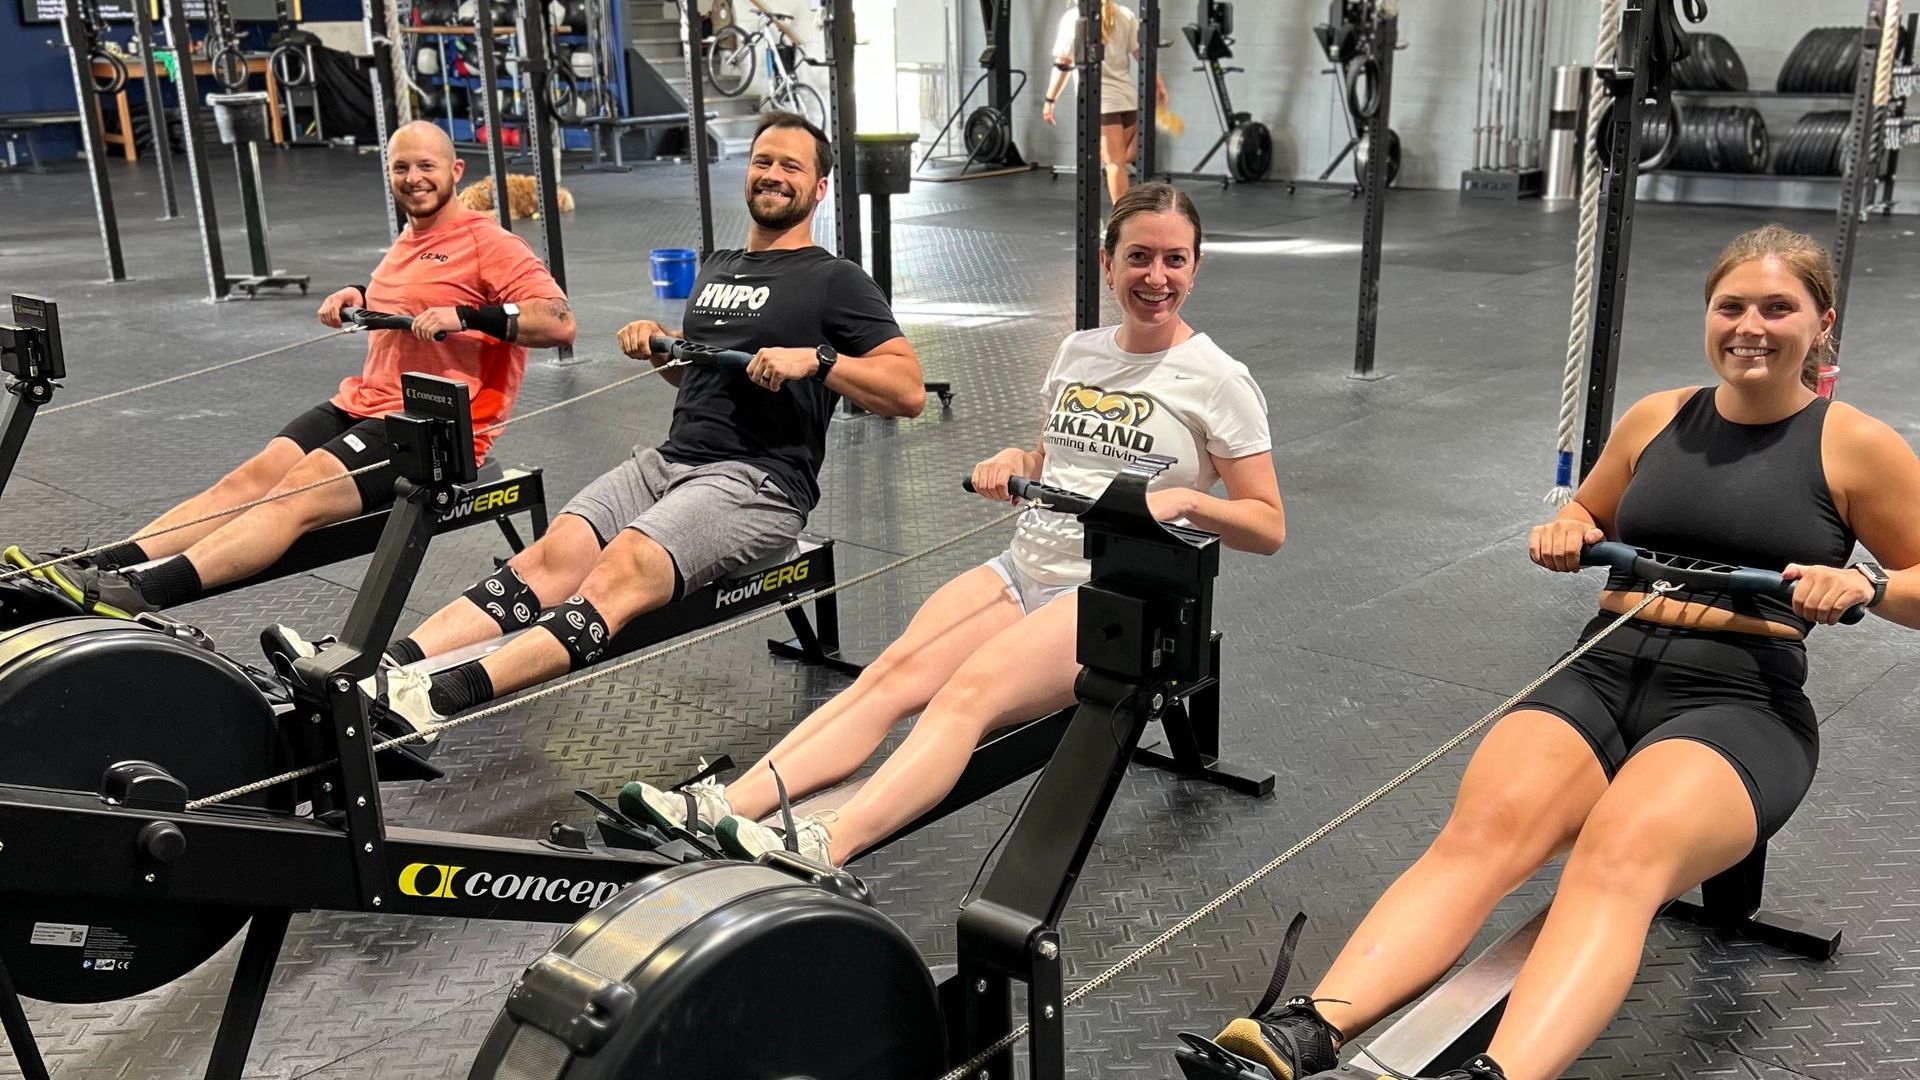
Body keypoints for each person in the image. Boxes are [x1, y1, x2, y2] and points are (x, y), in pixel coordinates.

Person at [1206, 224, 1920, 1080]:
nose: (1750, 326)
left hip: (1743, 702)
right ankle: (1304, 1031)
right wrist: (1568, 530)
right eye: (1731, 305)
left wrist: (1867, 588)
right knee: (1481, 833)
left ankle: (1503, 1073)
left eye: (1779, 308)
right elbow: (1589, 512)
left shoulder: (1856, 445)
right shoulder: (1659, 417)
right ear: (1708, 315)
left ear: (1821, 323)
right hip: (1604, 671)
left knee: (1616, 858)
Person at [619, 181, 1284, 867]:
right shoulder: (1079, 352)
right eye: (1139, 256)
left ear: (1196, 268)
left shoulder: (1216, 379)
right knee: (891, 675)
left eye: (1175, 260)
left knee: (968, 694)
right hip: (1027, 566)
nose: (1156, 277)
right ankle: (729, 805)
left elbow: (1267, 525)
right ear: (1107, 260)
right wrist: (1014, 459)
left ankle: (826, 842)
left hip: (1116, 595)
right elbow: (1054, 460)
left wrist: (1186, 503)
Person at [307, 112, 925, 738]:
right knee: (551, 555)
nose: (772, 175)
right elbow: (697, 381)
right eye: (763, 161)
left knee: (620, 566)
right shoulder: (718, 266)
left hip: (758, 483)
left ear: (818, 188)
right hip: (671, 463)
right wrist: (665, 350)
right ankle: (382, 670)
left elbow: (906, 391)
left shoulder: (834, 279)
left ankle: (433, 703)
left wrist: (816, 361)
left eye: (791, 166)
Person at [6, 121, 574, 617]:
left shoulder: (488, 241)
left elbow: (558, 322)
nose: (413, 177)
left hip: (435, 426)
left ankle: (143, 590)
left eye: (426, 166)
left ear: (454, 170)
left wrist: (466, 315)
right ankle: (98, 566)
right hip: (361, 402)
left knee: (297, 490)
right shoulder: (411, 236)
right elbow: (417, 286)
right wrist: (359, 292)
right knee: (250, 479)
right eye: (400, 167)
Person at [1043, 0, 1168, 205]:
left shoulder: (1075, 18)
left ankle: (1121, 220)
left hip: (1102, 103)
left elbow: (1063, 65)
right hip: (1127, 99)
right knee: (1120, 157)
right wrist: (1160, 85)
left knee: (1115, 164)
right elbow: (1142, 55)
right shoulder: (1124, 14)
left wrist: (1050, 99)